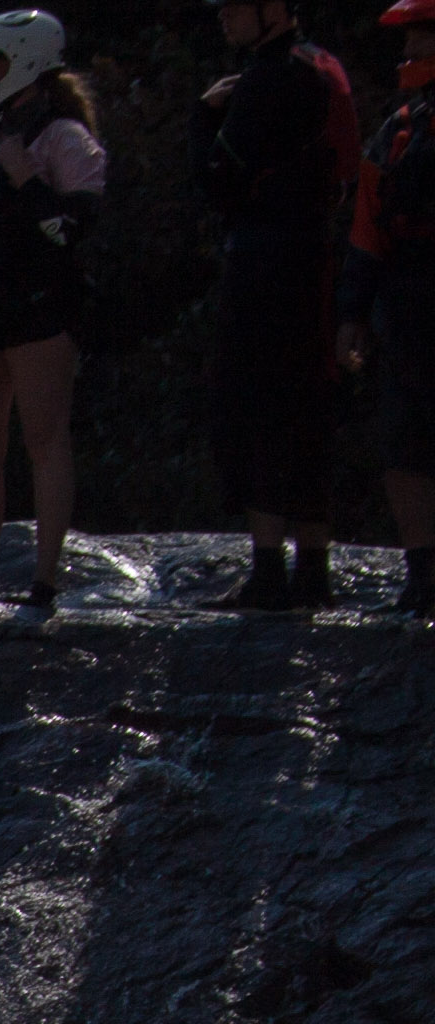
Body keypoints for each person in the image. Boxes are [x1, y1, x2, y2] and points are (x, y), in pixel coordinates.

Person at [0, 12, 113, 614]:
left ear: (26, 64)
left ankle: (45, 581)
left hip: (38, 308)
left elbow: (72, 228)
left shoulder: (65, 138)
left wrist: (26, 178)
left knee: (44, 441)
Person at [202, 0, 364, 606]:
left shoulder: (269, 76)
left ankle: (269, 570)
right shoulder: (321, 63)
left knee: (259, 406)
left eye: (235, 6)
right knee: (309, 405)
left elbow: (216, 178)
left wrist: (201, 118)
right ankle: (313, 570)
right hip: (316, 253)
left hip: (265, 259)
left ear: (272, 10)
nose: (224, 16)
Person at [341, 0, 435, 613]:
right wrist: (352, 314)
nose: (408, 53)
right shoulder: (400, 128)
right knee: (403, 445)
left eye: (421, 39)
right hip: (406, 306)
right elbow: (366, 227)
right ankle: (422, 575)